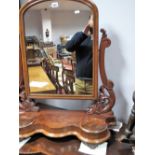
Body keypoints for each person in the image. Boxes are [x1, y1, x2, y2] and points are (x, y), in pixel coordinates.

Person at [65, 15, 93, 94]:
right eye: (92, 19)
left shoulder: (99, 37)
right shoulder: (80, 36)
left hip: (94, 82)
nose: (93, 21)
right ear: (88, 21)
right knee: (79, 105)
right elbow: (68, 47)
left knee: (93, 105)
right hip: (79, 81)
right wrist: (83, 33)